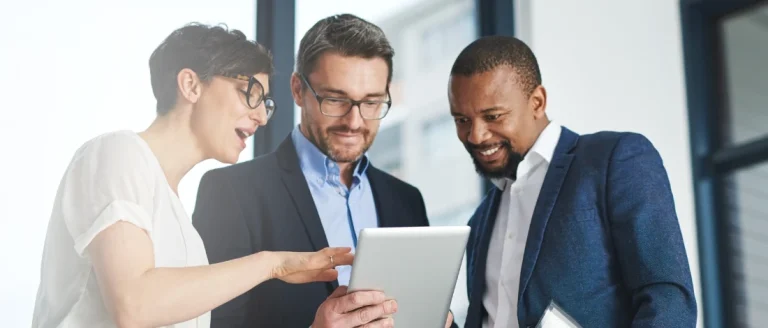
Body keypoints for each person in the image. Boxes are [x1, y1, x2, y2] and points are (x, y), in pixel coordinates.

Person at [31, 23, 354, 328]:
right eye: (251, 93)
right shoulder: (117, 152)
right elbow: (134, 304)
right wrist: (272, 264)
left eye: (265, 104)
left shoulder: (186, 233)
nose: (260, 116)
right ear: (191, 85)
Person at [192, 14, 454, 328]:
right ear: (297, 90)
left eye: (371, 102)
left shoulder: (407, 201)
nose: (354, 122)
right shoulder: (232, 194)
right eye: (335, 99)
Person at [448, 36, 698, 328]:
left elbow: (668, 299)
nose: (476, 136)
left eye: (493, 116)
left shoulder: (613, 161)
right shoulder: (478, 222)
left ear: (537, 102)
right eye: (461, 120)